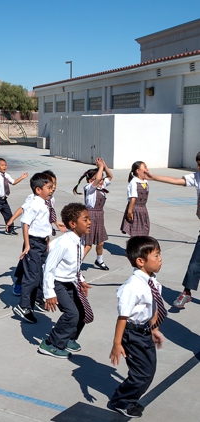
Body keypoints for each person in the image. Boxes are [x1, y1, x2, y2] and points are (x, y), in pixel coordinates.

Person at [108, 236, 165, 418]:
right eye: (156, 256)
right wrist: (117, 344)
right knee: (141, 374)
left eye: (159, 254)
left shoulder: (152, 281)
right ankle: (120, 401)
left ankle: (129, 397)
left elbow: (153, 306)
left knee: (148, 371)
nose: (160, 259)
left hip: (145, 332)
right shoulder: (132, 287)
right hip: (132, 334)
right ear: (141, 261)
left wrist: (154, 329)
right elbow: (123, 317)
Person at [39, 203, 93, 359]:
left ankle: (69, 338)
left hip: (70, 283)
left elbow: (75, 264)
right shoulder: (63, 243)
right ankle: (51, 344)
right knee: (71, 314)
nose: (89, 222)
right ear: (73, 224)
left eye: (88, 219)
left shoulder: (79, 241)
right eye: (86, 219)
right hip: (57, 284)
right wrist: (49, 293)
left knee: (82, 312)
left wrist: (81, 280)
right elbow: (48, 268)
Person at [146, 155, 200, 308]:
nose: (199, 167)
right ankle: (187, 293)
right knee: (195, 264)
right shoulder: (197, 177)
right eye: (198, 163)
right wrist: (154, 177)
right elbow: (177, 181)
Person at [7, 170, 65, 299]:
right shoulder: (33, 199)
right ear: (40, 188)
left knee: (40, 268)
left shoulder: (50, 199)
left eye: (54, 184)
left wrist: (56, 223)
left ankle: (38, 296)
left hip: (43, 238)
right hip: (32, 239)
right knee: (26, 265)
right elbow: (23, 210)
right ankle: (19, 283)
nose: (53, 188)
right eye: (50, 185)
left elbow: (47, 215)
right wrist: (11, 219)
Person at [12, 173, 55, 324]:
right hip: (34, 243)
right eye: (49, 187)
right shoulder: (35, 204)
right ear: (38, 190)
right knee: (32, 276)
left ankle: (36, 299)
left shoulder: (46, 203)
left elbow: (45, 222)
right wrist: (27, 244)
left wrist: (49, 237)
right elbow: (25, 223)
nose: (52, 190)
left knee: (41, 273)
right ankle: (23, 306)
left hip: (42, 242)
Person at [73, 158, 113, 270]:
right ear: (91, 180)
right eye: (97, 179)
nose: (101, 180)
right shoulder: (89, 188)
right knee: (88, 244)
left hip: (99, 216)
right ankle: (76, 266)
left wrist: (104, 166)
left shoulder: (101, 186)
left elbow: (110, 176)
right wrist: (100, 168)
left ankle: (99, 260)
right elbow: (99, 178)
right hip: (90, 215)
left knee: (100, 242)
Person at [0, 158, 28, 238]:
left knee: (8, 215)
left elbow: (13, 182)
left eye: (5, 165)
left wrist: (22, 177)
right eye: (2, 165)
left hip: (4, 200)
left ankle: (10, 229)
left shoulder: (6, 175)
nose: (4, 167)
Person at [121, 161, 150, 237]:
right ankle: (132, 248)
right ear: (138, 171)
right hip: (135, 209)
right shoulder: (134, 182)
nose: (147, 169)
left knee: (143, 230)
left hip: (143, 208)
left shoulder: (145, 181)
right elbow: (133, 198)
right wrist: (129, 212)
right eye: (145, 168)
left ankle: (136, 248)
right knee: (135, 231)